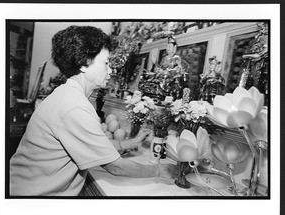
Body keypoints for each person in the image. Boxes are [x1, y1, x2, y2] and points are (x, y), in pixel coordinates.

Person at [10, 25, 177, 196]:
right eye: (106, 63)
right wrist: (159, 170)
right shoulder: (75, 106)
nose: (111, 70)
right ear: (84, 63)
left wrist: (129, 143)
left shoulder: (68, 95)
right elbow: (116, 167)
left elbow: (90, 144)